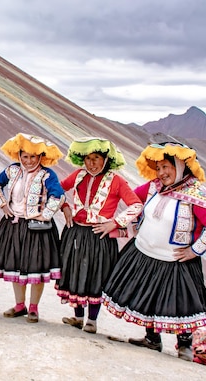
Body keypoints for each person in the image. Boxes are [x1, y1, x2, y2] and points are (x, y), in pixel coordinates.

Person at [102, 141, 206, 361]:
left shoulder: (195, 193)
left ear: (179, 165)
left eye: (166, 167)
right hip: (144, 252)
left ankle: (184, 345)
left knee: (182, 301)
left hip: (176, 259)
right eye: (158, 168)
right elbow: (131, 199)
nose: (161, 173)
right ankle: (151, 339)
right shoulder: (153, 187)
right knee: (147, 295)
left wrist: (195, 250)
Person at [57, 137, 143, 334]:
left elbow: (136, 205)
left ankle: (92, 320)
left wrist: (115, 223)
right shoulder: (78, 175)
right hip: (75, 231)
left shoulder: (117, 181)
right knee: (74, 271)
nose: (91, 163)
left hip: (99, 235)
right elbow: (58, 189)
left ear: (106, 159)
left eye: (96, 158)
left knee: (95, 274)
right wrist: (65, 206)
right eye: (87, 158)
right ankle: (78, 317)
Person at [0, 133, 65, 323]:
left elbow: (58, 195)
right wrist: (3, 203)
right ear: (19, 155)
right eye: (25, 156)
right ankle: (20, 305)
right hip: (14, 224)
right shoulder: (12, 170)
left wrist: (45, 215)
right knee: (16, 265)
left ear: (40, 157)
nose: (28, 161)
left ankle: (34, 308)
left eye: (33, 157)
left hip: (37, 228)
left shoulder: (47, 175)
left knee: (36, 268)